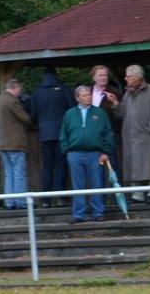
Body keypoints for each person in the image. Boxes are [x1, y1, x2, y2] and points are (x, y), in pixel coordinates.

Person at [108, 65, 150, 204]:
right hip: (131, 137)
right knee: (134, 166)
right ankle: (137, 195)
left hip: (147, 135)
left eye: (128, 76)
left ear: (138, 77)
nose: (125, 78)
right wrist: (115, 103)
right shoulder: (127, 94)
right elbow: (122, 114)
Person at [60, 85, 115, 224]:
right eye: (84, 95)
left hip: (95, 153)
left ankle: (98, 212)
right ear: (77, 98)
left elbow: (108, 133)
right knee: (77, 185)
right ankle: (79, 214)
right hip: (75, 154)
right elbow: (63, 134)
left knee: (97, 183)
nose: (88, 97)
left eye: (89, 94)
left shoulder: (100, 113)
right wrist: (67, 150)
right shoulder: (69, 114)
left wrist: (106, 152)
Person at [30, 67, 75, 208]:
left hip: (44, 134)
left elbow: (33, 114)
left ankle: (46, 200)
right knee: (61, 165)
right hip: (62, 133)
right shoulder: (64, 90)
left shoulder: (37, 93)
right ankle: (61, 198)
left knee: (47, 166)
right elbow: (72, 110)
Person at [0, 79, 32, 210]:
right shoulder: (12, 101)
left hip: (3, 143)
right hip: (15, 143)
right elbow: (25, 118)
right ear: (15, 88)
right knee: (18, 172)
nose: (20, 92)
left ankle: (9, 202)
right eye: (19, 90)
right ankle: (20, 201)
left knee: (9, 173)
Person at [89, 65, 122, 175]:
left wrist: (115, 103)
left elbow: (120, 115)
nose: (103, 78)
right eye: (100, 75)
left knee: (112, 167)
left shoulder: (114, 92)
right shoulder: (87, 92)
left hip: (109, 135)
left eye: (105, 75)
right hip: (91, 136)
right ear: (94, 77)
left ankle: (116, 191)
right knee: (95, 169)